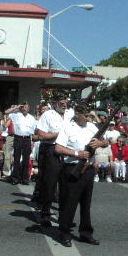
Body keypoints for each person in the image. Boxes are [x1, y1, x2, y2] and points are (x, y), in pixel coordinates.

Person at [54, 103, 108, 247]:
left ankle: (86, 233)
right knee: (69, 203)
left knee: (86, 203)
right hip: (72, 167)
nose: (88, 118)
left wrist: (100, 143)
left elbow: (106, 142)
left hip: (88, 169)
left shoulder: (92, 127)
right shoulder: (68, 128)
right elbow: (58, 148)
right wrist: (77, 154)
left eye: (89, 115)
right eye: (85, 116)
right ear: (77, 115)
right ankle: (64, 232)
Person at [34, 94, 74, 227]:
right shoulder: (48, 115)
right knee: (49, 184)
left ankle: (64, 217)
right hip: (51, 150)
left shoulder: (70, 114)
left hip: (67, 151)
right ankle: (45, 214)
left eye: (66, 102)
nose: (64, 105)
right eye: (62, 103)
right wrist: (60, 134)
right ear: (54, 102)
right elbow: (41, 135)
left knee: (66, 185)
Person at [5, 102, 36, 185]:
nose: (24, 108)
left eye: (26, 107)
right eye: (23, 107)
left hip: (27, 139)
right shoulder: (16, 115)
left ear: (28, 109)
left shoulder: (32, 118)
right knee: (16, 159)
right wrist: (16, 107)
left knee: (26, 159)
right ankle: (15, 178)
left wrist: (32, 142)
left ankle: (25, 179)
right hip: (18, 138)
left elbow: (33, 131)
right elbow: (6, 112)